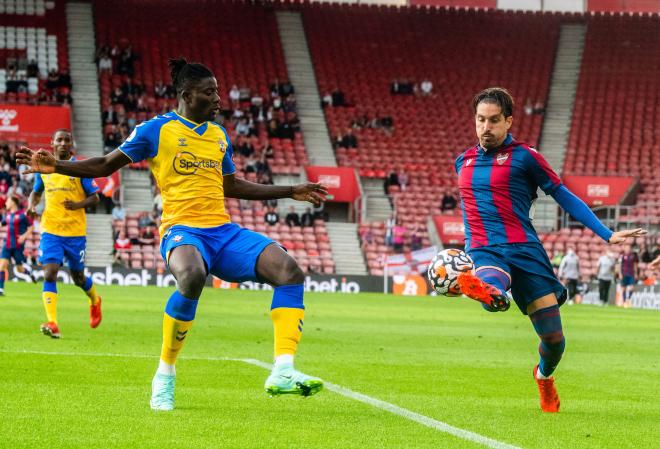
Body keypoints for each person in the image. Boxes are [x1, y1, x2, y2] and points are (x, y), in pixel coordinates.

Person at [17, 58, 328, 410]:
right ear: (186, 94)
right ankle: (165, 373)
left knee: (289, 271)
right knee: (192, 276)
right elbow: (105, 164)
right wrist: (56, 165)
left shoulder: (218, 135)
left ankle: (283, 370)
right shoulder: (155, 130)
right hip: (181, 230)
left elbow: (231, 185)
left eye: (218, 92)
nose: (218, 99)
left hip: (222, 231)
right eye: (209, 92)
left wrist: (290, 191)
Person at [452, 87, 645, 413]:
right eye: (481, 120)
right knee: (490, 278)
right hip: (484, 249)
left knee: (554, 340)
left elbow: (562, 194)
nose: (486, 127)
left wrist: (605, 233)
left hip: (525, 251)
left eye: (494, 120)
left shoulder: (525, 156)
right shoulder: (463, 161)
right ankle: (489, 293)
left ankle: (543, 376)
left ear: (509, 121)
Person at [26, 129, 103, 339]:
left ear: (71, 144)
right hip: (50, 230)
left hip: (75, 233)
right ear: (52, 143)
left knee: (78, 278)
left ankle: (95, 300)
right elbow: (36, 191)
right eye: (58, 140)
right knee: (49, 272)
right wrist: (31, 205)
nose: (62, 143)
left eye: (66, 140)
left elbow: (95, 198)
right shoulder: (44, 169)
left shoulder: (79, 168)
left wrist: (77, 204)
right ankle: (53, 322)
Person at [0, 195, 37, 295]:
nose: (6, 203)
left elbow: (31, 227)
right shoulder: (7, 215)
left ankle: (30, 274)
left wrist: (24, 236)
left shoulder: (23, 215)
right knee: (2, 265)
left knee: (20, 269)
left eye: (8, 201)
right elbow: (2, 224)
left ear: (13, 202)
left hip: (17, 247)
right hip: (7, 245)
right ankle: (1, 289)